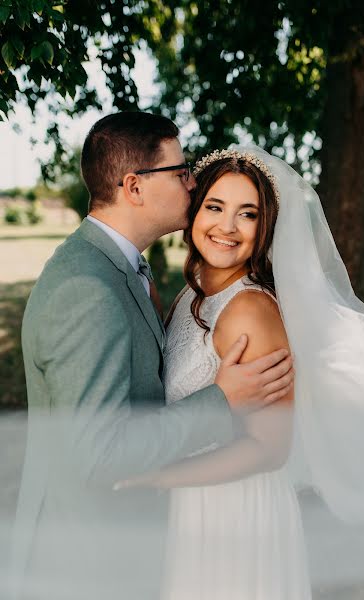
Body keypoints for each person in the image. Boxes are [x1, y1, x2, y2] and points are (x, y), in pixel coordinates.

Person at [9, 114, 294, 600]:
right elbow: (97, 453)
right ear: (134, 186)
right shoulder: (89, 287)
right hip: (90, 556)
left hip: (208, 526)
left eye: (246, 213)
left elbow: (271, 444)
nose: (191, 182)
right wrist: (222, 399)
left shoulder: (127, 272)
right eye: (181, 172)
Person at [116, 146, 364, 599]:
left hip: (234, 513)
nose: (227, 226)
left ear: (263, 227)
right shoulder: (194, 296)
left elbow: (269, 449)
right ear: (194, 212)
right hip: (195, 504)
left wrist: (154, 475)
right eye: (215, 207)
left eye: (246, 214)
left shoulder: (249, 309)